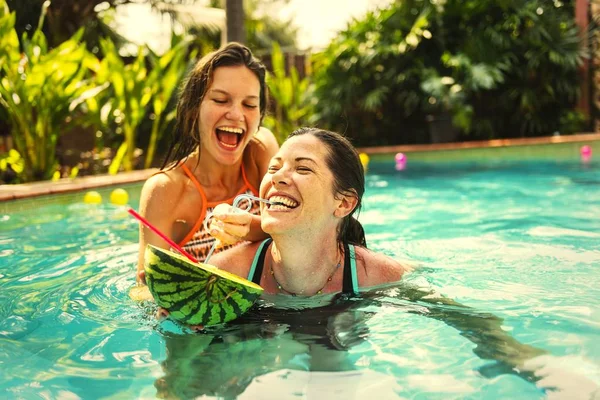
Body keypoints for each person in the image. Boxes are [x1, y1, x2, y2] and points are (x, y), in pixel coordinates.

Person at [134, 42, 279, 288]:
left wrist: (248, 228)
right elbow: (144, 289)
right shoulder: (165, 190)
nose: (236, 114)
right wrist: (162, 299)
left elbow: (296, 226)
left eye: (249, 104)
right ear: (194, 109)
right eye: (221, 100)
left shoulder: (260, 152)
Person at [208, 127, 407, 294]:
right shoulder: (224, 274)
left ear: (344, 203)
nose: (277, 177)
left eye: (303, 169)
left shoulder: (380, 277)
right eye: (273, 168)